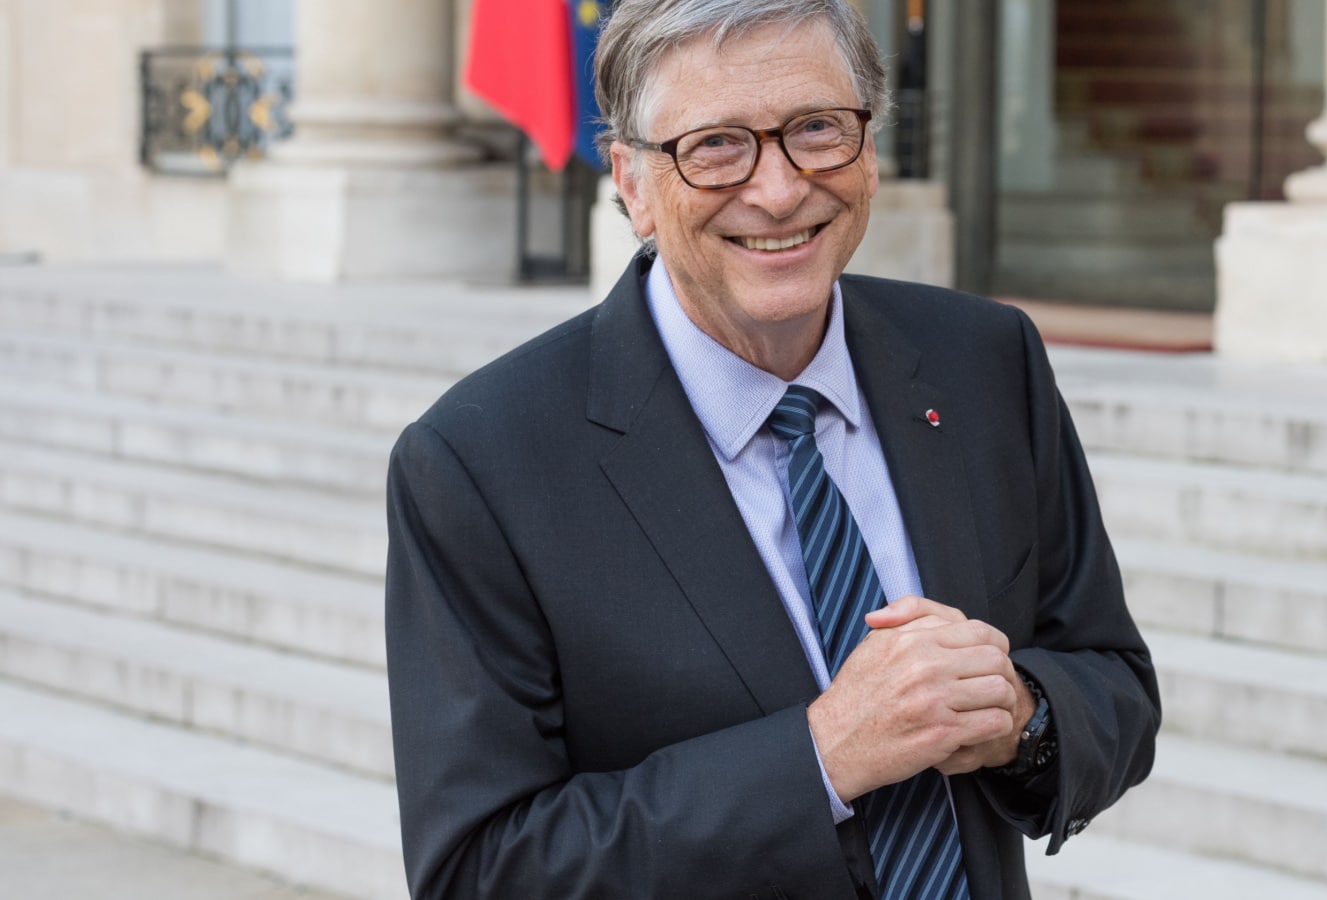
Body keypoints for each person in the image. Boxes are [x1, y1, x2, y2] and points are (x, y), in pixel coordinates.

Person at [384, 1, 1160, 897]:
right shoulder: (480, 463)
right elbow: (481, 871)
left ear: (869, 148)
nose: (781, 188)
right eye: (715, 144)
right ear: (632, 183)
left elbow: (1115, 687)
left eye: (817, 128)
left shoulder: (984, 361)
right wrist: (823, 756)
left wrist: (1020, 718)